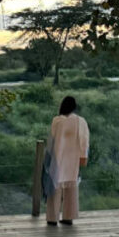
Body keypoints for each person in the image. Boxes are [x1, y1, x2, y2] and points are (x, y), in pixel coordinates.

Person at [45, 96, 90, 226]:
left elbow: (51, 140)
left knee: (55, 186)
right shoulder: (81, 121)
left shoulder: (56, 120)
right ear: (74, 107)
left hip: (58, 157)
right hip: (73, 159)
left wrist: (48, 158)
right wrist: (83, 157)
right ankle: (69, 216)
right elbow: (84, 141)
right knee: (72, 187)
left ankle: (52, 218)